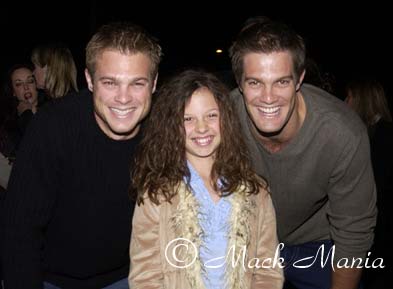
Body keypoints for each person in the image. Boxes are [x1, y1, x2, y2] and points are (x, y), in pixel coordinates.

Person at [1, 22, 162, 289]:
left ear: (154, 83)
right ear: (89, 80)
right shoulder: (54, 127)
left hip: (129, 276)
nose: (123, 98)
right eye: (109, 82)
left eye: (137, 83)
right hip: (51, 279)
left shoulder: (162, 130)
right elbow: (19, 229)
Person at [229, 18, 377, 289]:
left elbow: (354, 229)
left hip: (318, 244)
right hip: (251, 242)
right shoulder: (221, 122)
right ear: (239, 82)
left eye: (281, 82)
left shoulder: (342, 134)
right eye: (255, 83)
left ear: (300, 79)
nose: (269, 97)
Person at [129, 69, 283, 289]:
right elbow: (145, 277)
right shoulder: (156, 195)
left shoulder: (255, 192)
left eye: (211, 115)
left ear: (226, 118)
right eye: (188, 119)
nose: (202, 128)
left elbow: (268, 272)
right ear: (172, 126)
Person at [345, 79, 393, 288]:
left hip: (381, 220)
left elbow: (378, 178)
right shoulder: (363, 130)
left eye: (349, 97)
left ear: (362, 100)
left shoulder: (387, 133)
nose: (345, 101)